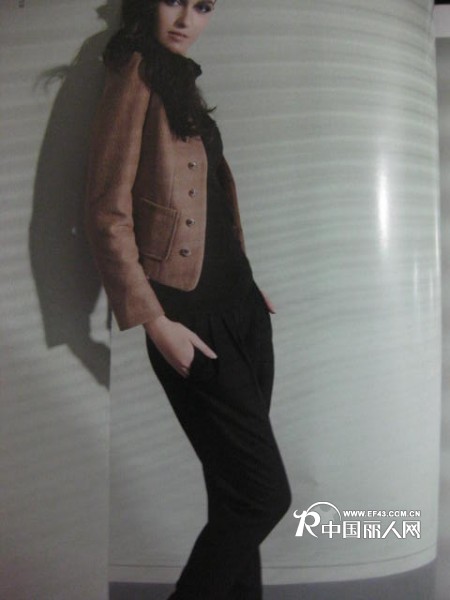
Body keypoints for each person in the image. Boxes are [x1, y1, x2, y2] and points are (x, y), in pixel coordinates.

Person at [85, 1, 292, 598]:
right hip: (190, 320)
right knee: (263, 496)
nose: (186, 19)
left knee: (235, 495)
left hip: (243, 309)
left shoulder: (179, 79)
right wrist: (155, 322)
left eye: (202, 6)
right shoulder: (135, 71)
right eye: (174, 0)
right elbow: (107, 211)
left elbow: (208, 200)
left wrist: (246, 280)